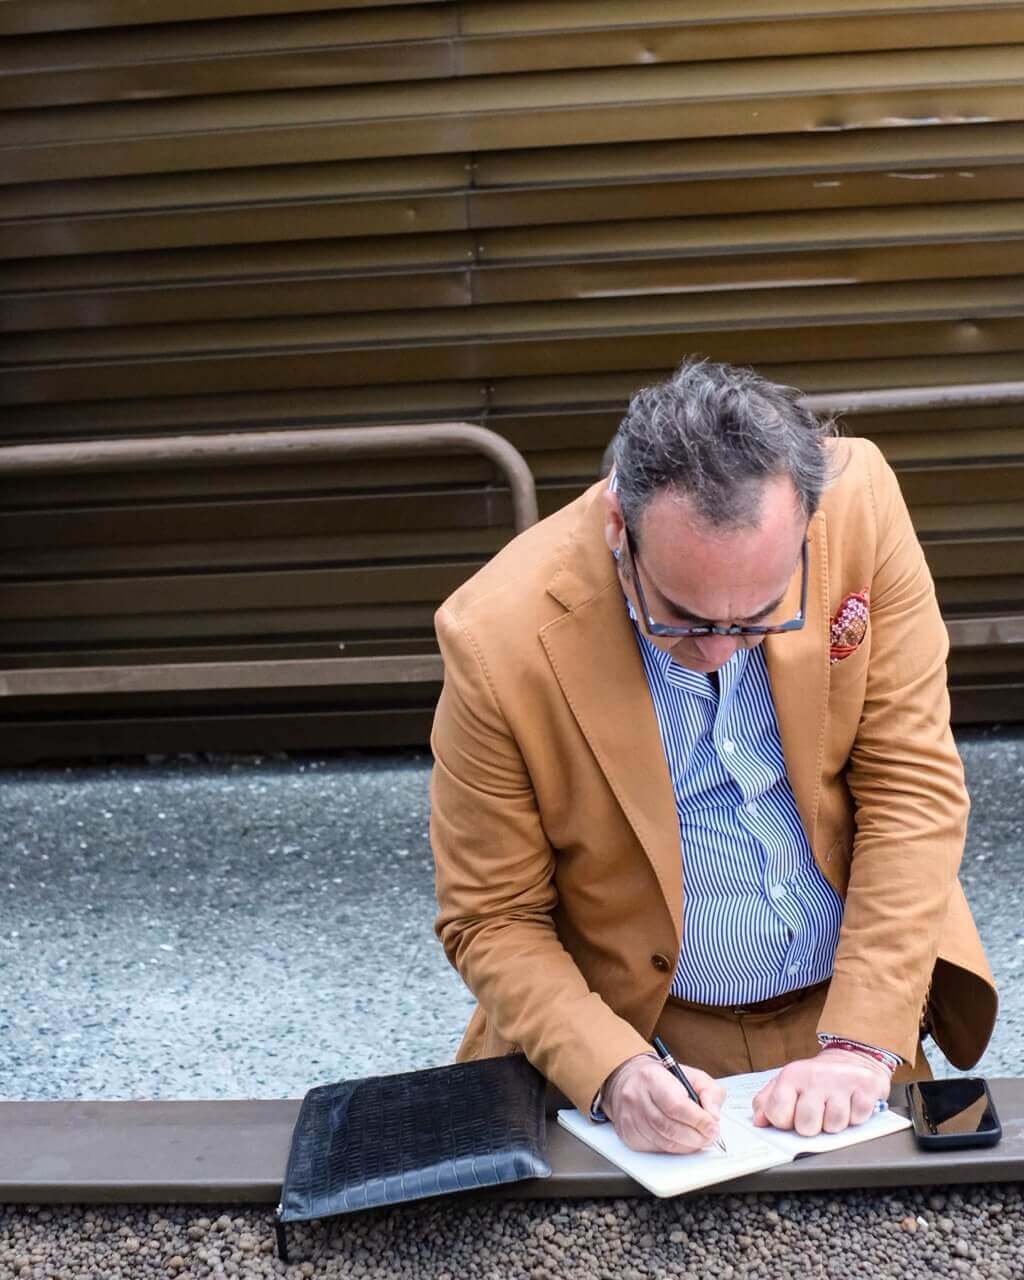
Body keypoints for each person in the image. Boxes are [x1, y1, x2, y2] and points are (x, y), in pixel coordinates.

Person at [429, 358, 996, 1155]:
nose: (722, 651)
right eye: (683, 620)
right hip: (642, 1026)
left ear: (806, 524)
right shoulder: (496, 637)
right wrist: (617, 1069)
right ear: (618, 532)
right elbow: (493, 916)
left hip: (858, 999)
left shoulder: (860, 500)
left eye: (762, 615)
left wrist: (865, 1037)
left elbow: (912, 785)